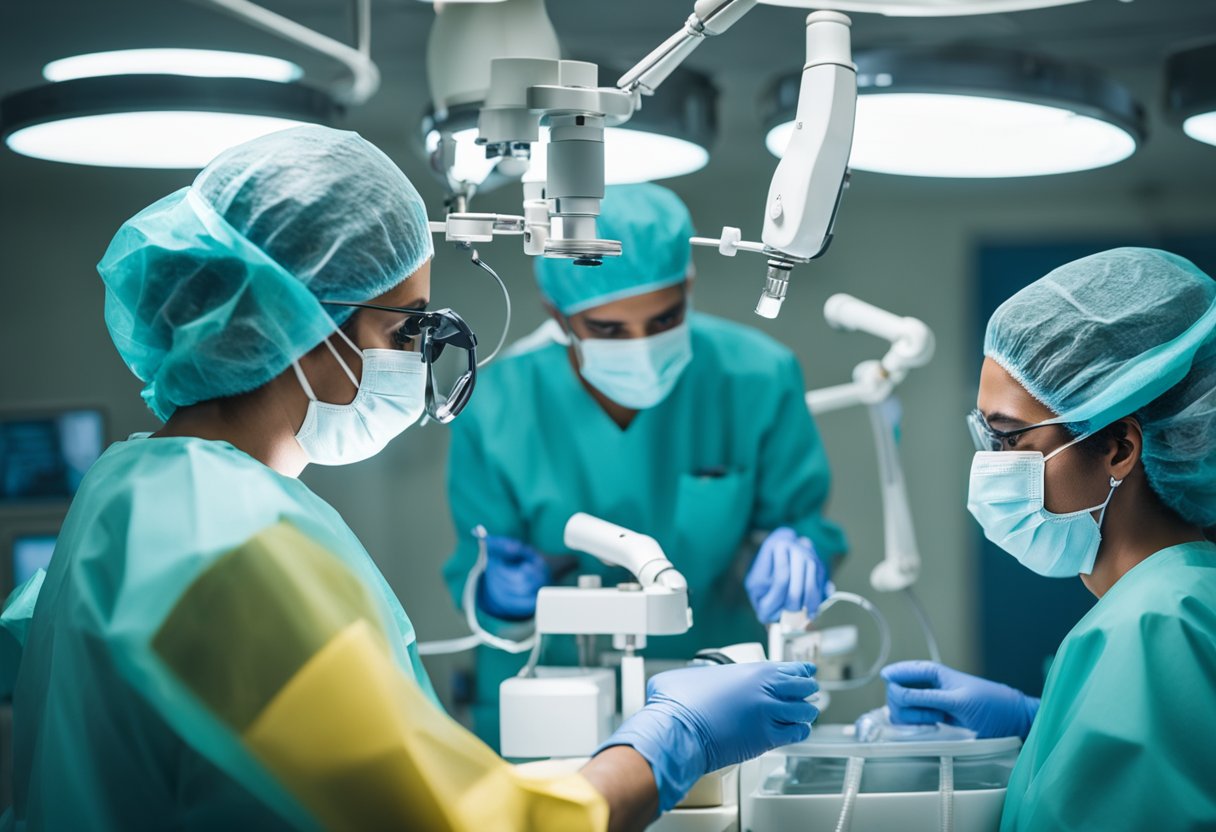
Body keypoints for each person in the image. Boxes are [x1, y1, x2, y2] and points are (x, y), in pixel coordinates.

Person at [0, 127, 822, 831]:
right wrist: (674, 741)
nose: (420, 360)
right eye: (411, 329)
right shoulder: (229, 542)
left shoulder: (126, 490)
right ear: (310, 325)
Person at [443, 183, 847, 747]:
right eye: (607, 330)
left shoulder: (756, 376)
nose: (640, 346)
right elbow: (475, 564)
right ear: (557, 315)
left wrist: (798, 549)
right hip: (555, 697)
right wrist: (496, 592)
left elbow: (805, 523)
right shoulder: (497, 402)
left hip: (720, 688)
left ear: (688, 285)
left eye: (662, 320)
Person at [876, 248, 1216, 830]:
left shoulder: (1156, 624)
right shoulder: (1164, 602)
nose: (991, 465)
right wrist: (1041, 724)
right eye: (986, 437)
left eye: (1010, 440)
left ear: (1119, 449)